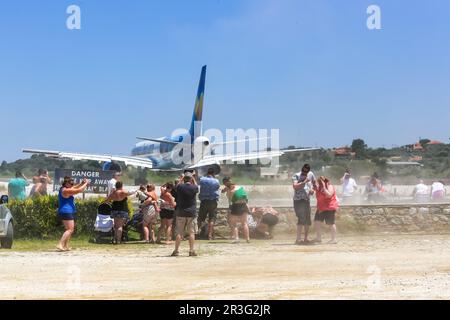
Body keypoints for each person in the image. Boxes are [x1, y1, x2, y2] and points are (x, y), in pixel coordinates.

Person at [57, 177, 89, 251]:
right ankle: (60, 244)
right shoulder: (66, 191)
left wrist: (81, 183)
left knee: (69, 229)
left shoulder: (63, 188)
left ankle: (65, 246)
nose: (72, 185)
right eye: (71, 183)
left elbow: (75, 187)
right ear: (66, 183)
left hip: (66, 211)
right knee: (70, 230)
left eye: (72, 183)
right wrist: (86, 183)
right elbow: (79, 190)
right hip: (66, 211)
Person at [171, 172, 199, 257]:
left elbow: (176, 186)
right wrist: (193, 178)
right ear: (191, 179)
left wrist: (181, 178)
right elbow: (197, 187)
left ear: (184, 179)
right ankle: (191, 250)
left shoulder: (180, 187)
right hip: (191, 212)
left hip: (181, 211)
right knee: (191, 232)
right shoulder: (194, 187)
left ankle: (176, 250)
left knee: (179, 232)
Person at [292, 164, 316, 245]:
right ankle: (298, 239)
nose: (305, 173)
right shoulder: (296, 176)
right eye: (304, 171)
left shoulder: (311, 174)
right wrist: (304, 182)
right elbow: (295, 186)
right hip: (298, 200)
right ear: (302, 170)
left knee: (307, 220)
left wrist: (312, 190)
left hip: (306, 200)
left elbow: (314, 184)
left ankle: (306, 238)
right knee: (301, 219)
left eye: (307, 172)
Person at [222, 177, 250, 244]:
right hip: (244, 205)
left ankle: (236, 238)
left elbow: (231, 200)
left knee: (234, 224)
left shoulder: (230, 191)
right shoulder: (239, 187)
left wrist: (227, 190)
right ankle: (247, 238)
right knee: (244, 223)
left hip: (236, 206)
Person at [313, 176, 339, 244]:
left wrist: (324, 187)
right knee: (317, 222)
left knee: (331, 223)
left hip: (329, 207)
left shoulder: (330, 186)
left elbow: (329, 195)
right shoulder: (319, 187)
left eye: (321, 181)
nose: (320, 183)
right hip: (321, 207)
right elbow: (314, 191)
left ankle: (334, 239)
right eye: (319, 182)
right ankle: (319, 238)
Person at [198, 168, 220, 240]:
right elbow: (217, 188)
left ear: (207, 173)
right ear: (213, 173)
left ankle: (200, 232)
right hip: (213, 201)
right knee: (212, 219)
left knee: (201, 218)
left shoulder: (202, 179)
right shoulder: (216, 181)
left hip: (204, 201)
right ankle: (209, 235)